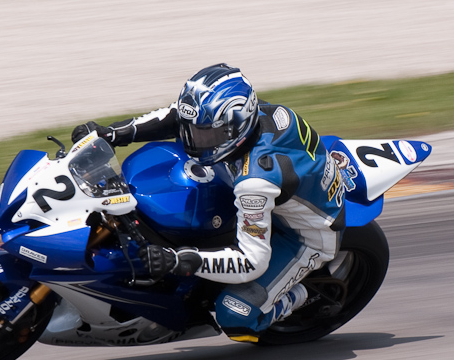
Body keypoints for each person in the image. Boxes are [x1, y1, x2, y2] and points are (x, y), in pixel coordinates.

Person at [71, 63, 346, 343]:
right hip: (280, 190)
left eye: (205, 135)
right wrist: (113, 134)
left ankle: (302, 296)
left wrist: (179, 260)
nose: (193, 140)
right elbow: (175, 116)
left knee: (235, 316)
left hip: (303, 236)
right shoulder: (245, 113)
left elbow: (252, 261)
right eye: (193, 131)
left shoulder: (255, 183)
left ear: (234, 128)